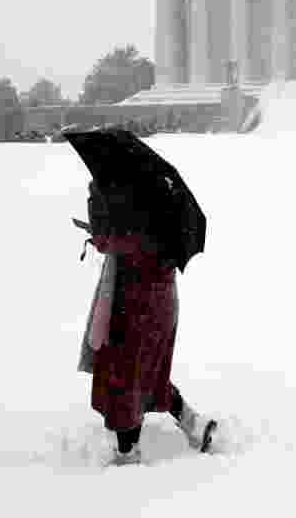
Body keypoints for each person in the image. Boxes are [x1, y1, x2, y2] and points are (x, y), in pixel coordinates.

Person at [77, 181, 217, 466]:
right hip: (161, 302)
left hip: (138, 307)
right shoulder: (163, 207)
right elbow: (122, 241)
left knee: (127, 379)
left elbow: (111, 240)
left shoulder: (134, 215)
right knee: (148, 374)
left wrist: (96, 199)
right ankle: (193, 424)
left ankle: (128, 454)